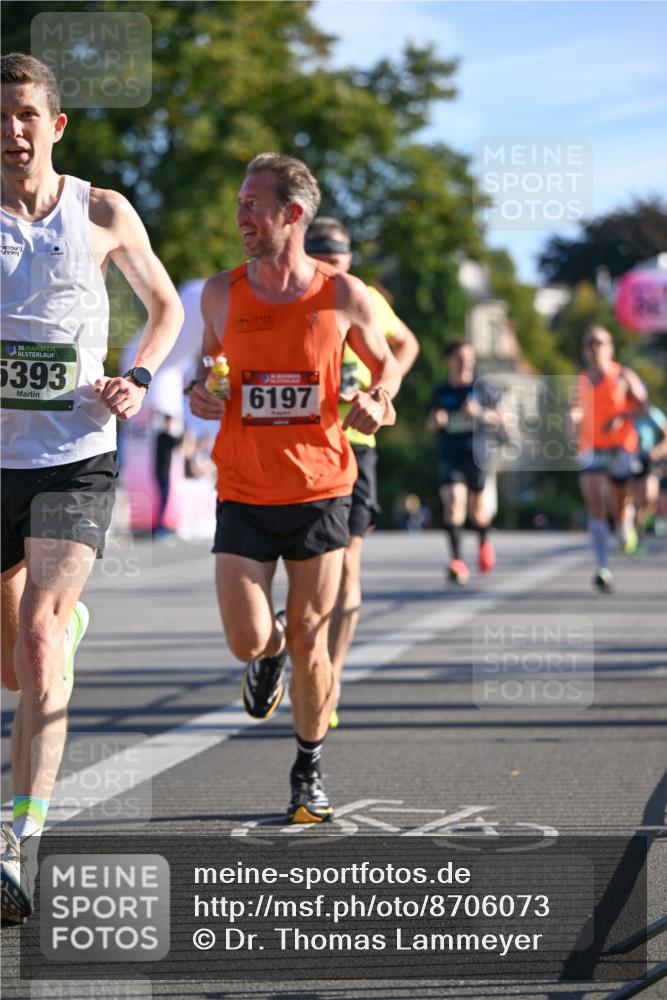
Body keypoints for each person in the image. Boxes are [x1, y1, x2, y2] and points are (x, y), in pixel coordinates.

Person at [0, 53, 184, 923]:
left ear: (56, 124)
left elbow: (166, 308)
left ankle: (20, 840)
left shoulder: (100, 210)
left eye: (27, 114)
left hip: (77, 452)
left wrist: (138, 378)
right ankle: (61, 625)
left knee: (37, 645)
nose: (12, 130)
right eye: (0, 116)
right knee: (14, 657)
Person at [188, 153, 400, 824]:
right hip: (245, 488)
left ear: (293, 214)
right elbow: (208, 365)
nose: (241, 216)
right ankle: (267, 654)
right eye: (240, 203)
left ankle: (308, 769)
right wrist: (202, 391)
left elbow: (386, 364)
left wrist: (378, 400)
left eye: (254, 204)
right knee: (247, 639)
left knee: (314, 637)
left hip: (321, 490)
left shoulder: (342, 295)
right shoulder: (222, 293)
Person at [304, 217, 419, 728]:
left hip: (356, 444)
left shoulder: (364, 295)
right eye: (323, 258)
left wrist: (381, 390)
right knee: (308, 562)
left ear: (350, 260)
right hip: (303, 440)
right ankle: (297, 648)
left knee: (349, 562)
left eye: (340, 260)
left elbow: (405, 345)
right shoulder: (292, 293)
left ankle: (333, 673)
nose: (333, 268)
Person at [566, 325, 647, 593]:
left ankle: (625, 523)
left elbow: (642, 406)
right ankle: (602, 567)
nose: (594, 347)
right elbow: (575, 408)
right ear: (585, 350)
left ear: (610, 348)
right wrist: (572, 418)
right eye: (590, 343)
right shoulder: (582, 380)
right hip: (593, 449)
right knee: (595, 503)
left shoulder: (623, 375)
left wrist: (620, 418)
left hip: (621, 448)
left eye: (599, 342)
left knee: (619, 507)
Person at [427, 340, 505, 584]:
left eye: (469, 357)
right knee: (453, 503)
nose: (465, 362)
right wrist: (436, 421)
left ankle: (484, 540)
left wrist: (479, 413)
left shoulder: (482, 389)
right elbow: (430, 425)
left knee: (478, 512)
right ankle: (457, 561)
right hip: (451, 455)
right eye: (459, 357)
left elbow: (503, 418)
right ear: (448, 361)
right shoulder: (441, 392)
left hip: (477, 455)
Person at [632, 401, 667, 535]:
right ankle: (633, 529)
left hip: (649, 459)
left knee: (649, 495)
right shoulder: (626, 411)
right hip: (630, 458)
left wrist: (657, 451)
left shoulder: (652, 413)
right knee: (632, 498)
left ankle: (642, 524)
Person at [154, 413, 182, 536]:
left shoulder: (163, 436)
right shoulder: (163, 436)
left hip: (163, 473)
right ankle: (159, 528)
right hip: (162, 473)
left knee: (164, 500)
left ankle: (160, 526)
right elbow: (176, 441)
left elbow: (176, 443)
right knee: (163, 500)